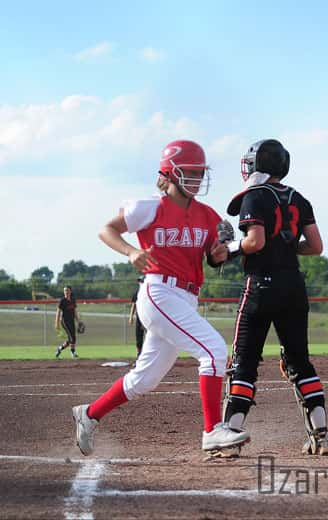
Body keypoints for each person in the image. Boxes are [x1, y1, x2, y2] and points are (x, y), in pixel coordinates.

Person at [71, 139, 249, 457]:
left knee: (144, 379)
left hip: (186, 297)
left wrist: (222, 252)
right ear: (170, 173)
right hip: (159, 292)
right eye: (189, 172)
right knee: (213, 350)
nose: (195, 179)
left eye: (199, 173)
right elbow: (106, 229)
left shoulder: (208, 215)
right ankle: (211, 431)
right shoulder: (150, 207)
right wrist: (131, 251)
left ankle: (89, 414)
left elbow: (215, 257)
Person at [218, 138, 328, 456]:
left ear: (257, 165)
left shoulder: (254, 197)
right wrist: (284, 246)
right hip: (294, 287)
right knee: (300, 363)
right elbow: (315, 246)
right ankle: (321, 435)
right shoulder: (300, 198)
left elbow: (253, 241)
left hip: (260, 287)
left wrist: (227, 251)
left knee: (243, 364)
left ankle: (231, 438)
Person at [55, 286, 81, 359]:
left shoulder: (73, 300)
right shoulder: (62, 300)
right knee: (72, 338)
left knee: (71, 339)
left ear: (70, 291)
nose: (66, 292)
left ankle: (59, 349)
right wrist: (56, 323)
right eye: (65, 290)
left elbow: (75, 311)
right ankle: (73, 353)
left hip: (71, 320)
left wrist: (79, 321)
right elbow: (58, 312)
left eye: (67, 290)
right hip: (65, 321)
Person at [128, 276, 147, 360]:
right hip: (139, 318)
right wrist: (131, 316)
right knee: (138, 336)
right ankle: (139, 354)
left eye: (142, 281)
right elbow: (133, 305)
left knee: (150, 336)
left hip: (148, 318)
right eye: (139, 281)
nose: (140, 283)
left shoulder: (148, 292)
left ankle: (148, 354)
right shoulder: (137, 293)